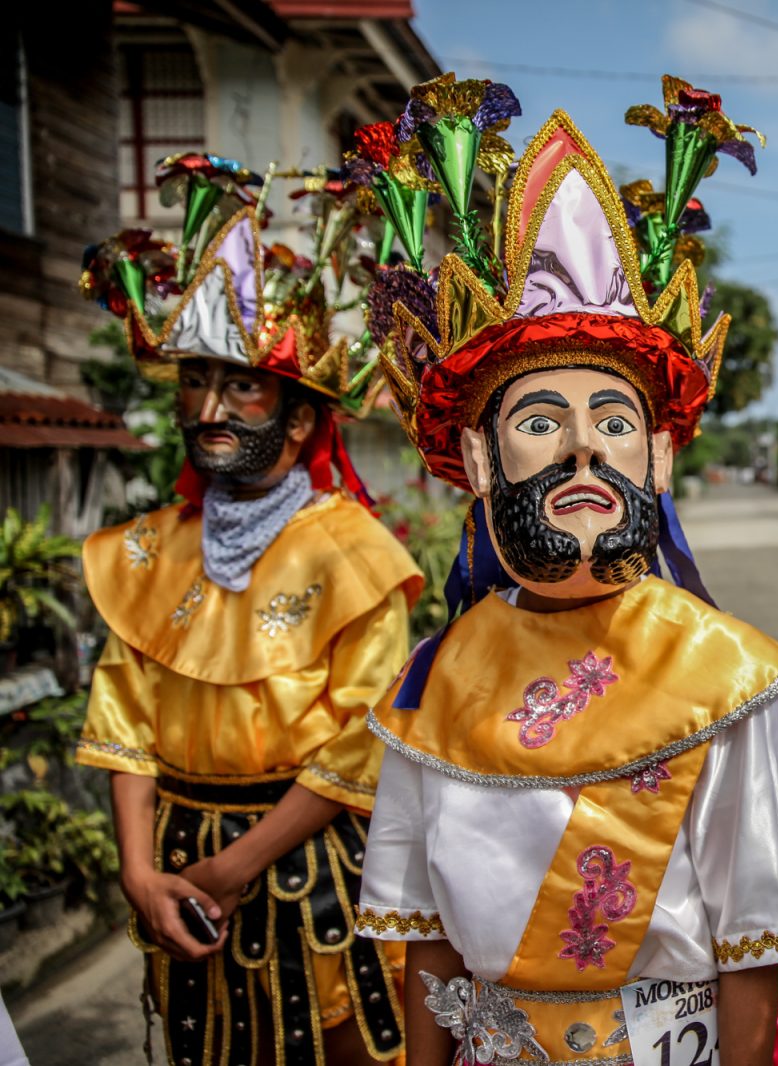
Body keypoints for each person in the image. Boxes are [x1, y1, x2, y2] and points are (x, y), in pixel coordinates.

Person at [352, 82, 778, 1066]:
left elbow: (750, 941)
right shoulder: (433, 682)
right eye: (538, 422)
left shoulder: (721, 674)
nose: (581, 450)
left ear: (657, 457)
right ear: (481, 464)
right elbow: (425, 937)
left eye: (612, 421)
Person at [76, 167, 421, 1065]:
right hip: (176, 861)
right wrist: (140, 874)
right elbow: (121, 726)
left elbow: (367, 739)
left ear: (303, 420)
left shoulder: (354, 551)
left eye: (242, 388)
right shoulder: (147, 551)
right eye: (195, 382)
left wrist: (230, 869)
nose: (210, 410)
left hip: (313, 875)